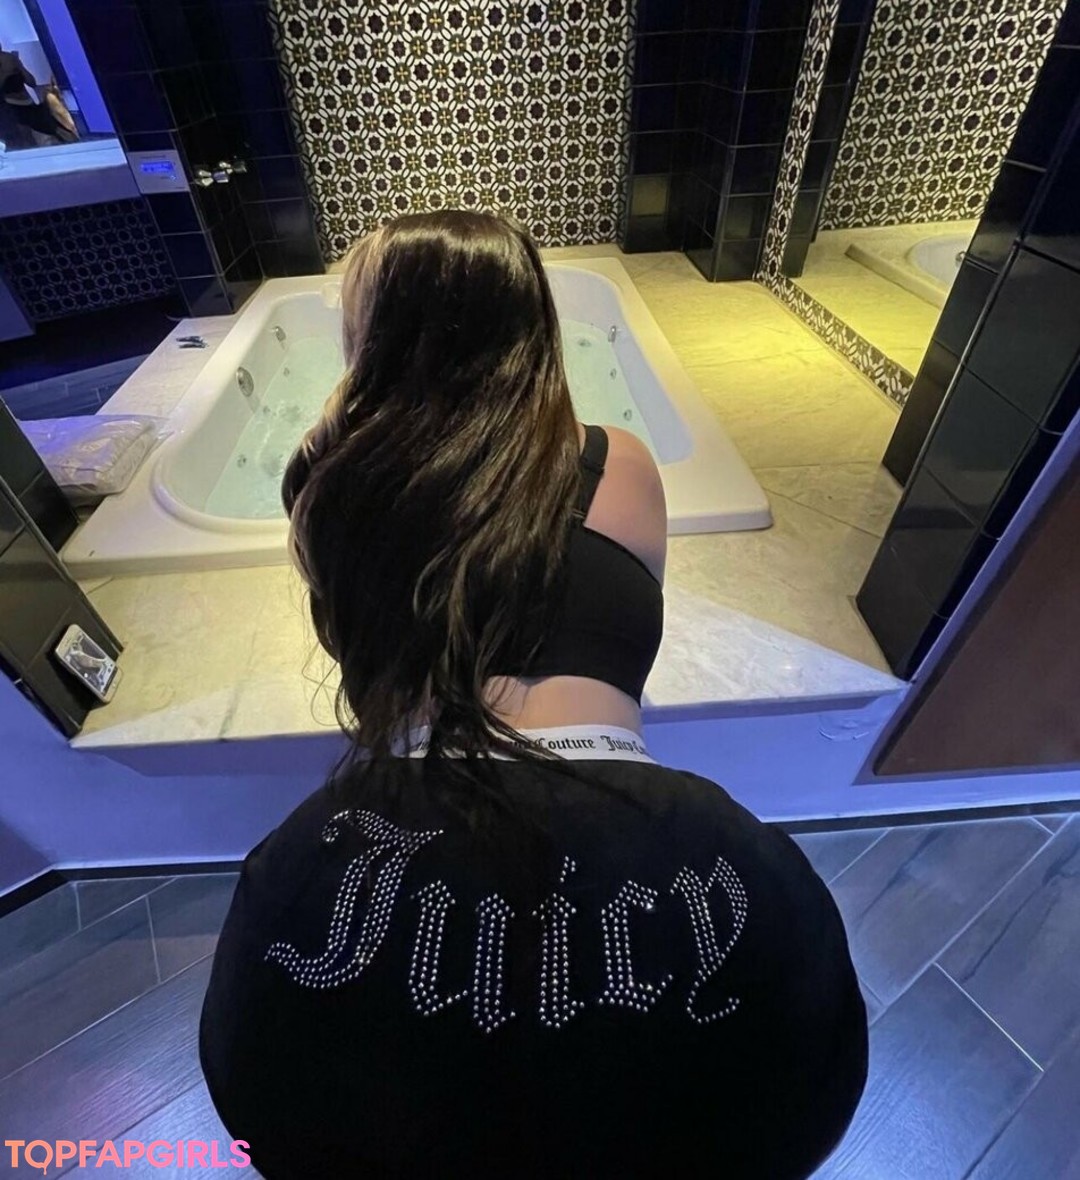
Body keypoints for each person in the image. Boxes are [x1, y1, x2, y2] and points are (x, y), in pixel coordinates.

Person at [199, 210, 868, 1178]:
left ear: (375, 335)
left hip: (411, 790)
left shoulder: (324, 484)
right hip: (635, 799)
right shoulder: (618, 464)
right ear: (530, 323)